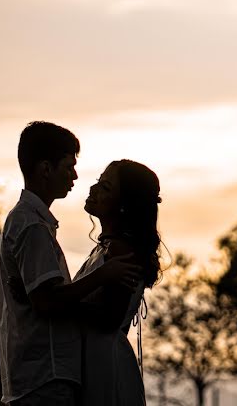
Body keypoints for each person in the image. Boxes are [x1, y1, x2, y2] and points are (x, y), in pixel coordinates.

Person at [0, 122, 142, 405]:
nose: (76, 176)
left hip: (58, 372)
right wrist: (101, 275)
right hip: (45, 373)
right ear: (46, 169)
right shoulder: (32, 226)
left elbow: (58, 301)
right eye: (68, 166)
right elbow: (48, 302)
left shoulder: (33, 223)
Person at [74, 159, 163, 406]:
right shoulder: (107, 248)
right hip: (95, 359)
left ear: (123, 205)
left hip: (104, 366)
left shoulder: (121, 250)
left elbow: (109, 319)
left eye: (105, 187)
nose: (93, 189)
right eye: (98, 182)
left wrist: (54, 299)